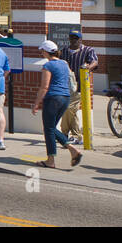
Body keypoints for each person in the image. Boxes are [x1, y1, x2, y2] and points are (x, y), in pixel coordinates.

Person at [31, 39, 83, 169]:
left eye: (42, 51)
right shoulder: (64, 63)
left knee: (49, 129)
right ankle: (57, 157)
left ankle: (58, 157)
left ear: (46, 52)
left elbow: (44, 87)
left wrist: (36, 103)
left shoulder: (48, 66)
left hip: (53, 98)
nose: (41, 53)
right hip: (65, 98)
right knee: (52, 129)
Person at [60, 31, 99, 145]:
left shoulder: (88, 50)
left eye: (76, 38)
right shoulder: (64, 51)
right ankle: (71, 135)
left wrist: (87, 68)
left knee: (69, 108)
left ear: (81, 39)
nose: (74, 40)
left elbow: (95, 62)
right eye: (71, 38)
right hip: (66, 85)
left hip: (80, 86)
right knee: (71, 111)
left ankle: (70, 134)